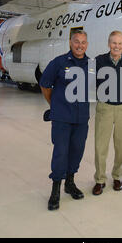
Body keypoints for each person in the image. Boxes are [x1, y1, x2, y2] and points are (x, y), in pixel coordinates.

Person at [39, 30, 90, 211]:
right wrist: (55, 104)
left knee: (77, 151)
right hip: (62, 118)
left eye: (83, 42)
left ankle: (70, 183)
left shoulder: (91, 65)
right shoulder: (59, 62)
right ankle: (55, 190)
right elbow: (45, 84)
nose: (80, 45)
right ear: (70, 42)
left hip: (82, 118)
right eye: (77, 41)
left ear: (87, 44)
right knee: (61, 152)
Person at [93, 31, 122, 195]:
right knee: (100, 146)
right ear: (108, 44)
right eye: (114, 43)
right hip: (104, 107)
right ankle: (100, 179)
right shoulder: (99, 61)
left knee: (121, 146)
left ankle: (117, 176)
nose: (116, 46)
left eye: (119, 43)